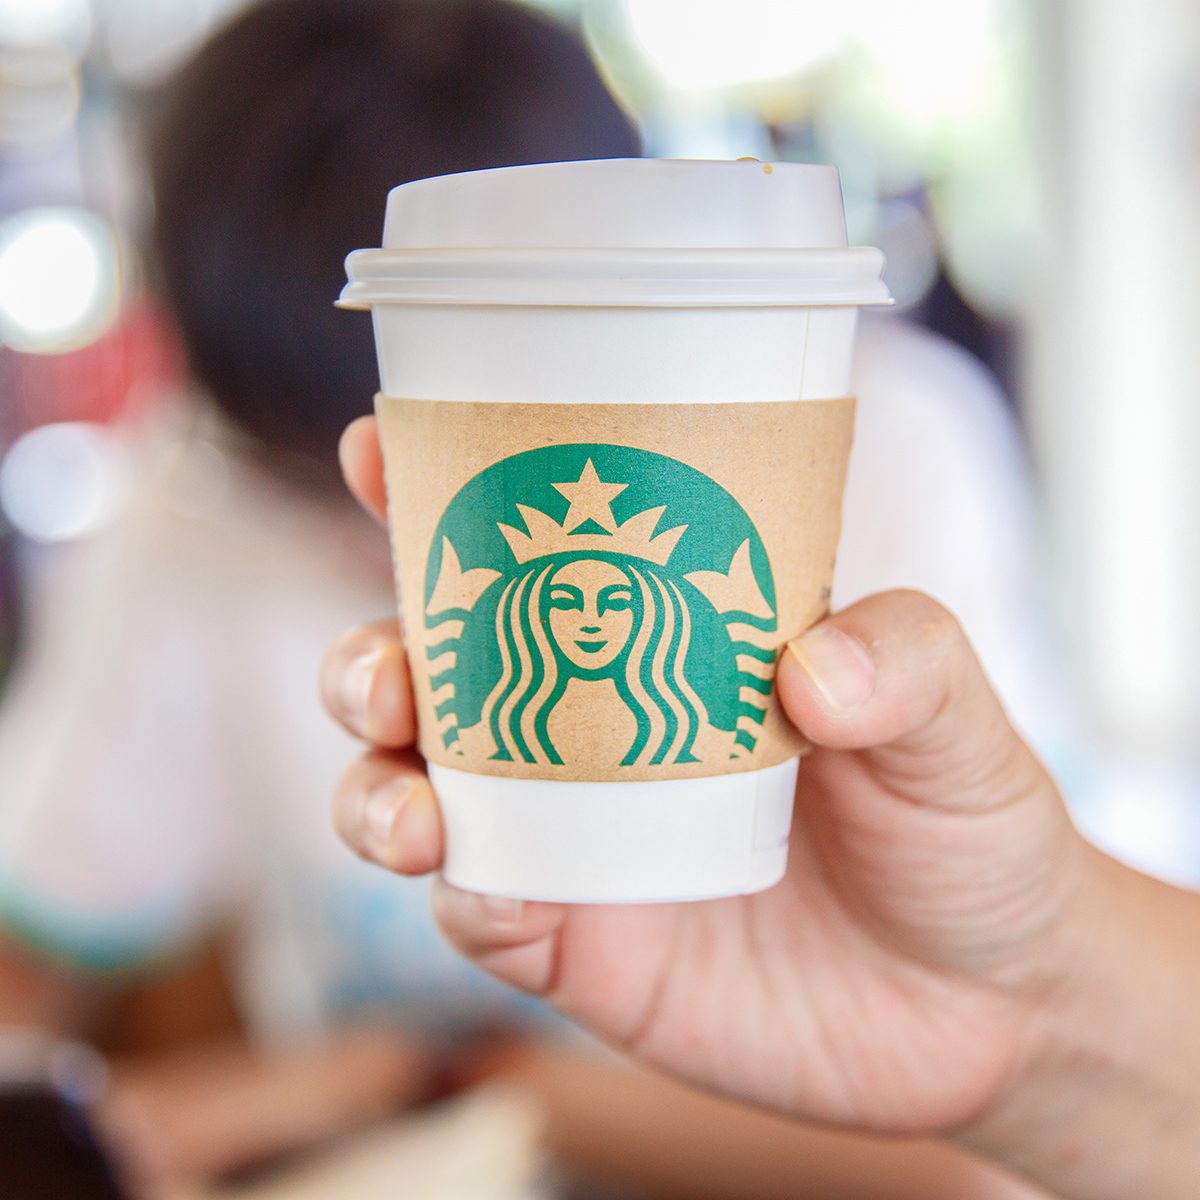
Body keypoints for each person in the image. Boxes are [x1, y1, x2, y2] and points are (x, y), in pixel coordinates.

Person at [0, 0, 1062, 1195]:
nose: (378, 539)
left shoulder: (870, 445)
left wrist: (426, 1078)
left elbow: (976, 1147)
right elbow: (37, 955)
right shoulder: (187, 519)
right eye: (303, 481)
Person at [323, 439, 1200, 1199]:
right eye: (563, 604)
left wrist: (1031, 1006)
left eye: (615, 603)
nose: (589, 623)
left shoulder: (907, 444)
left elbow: (976, 1178)